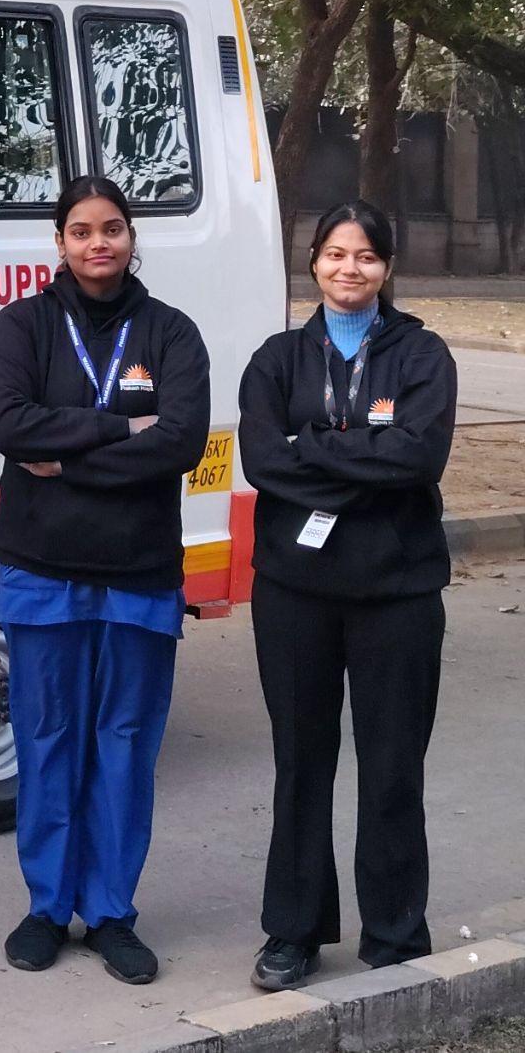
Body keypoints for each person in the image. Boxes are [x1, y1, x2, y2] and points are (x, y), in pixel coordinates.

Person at [0, 175, 211, 985]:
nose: (98, 243)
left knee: (124, 744)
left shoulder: (172, 333)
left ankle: (111, 910)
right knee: (46, 739)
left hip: (140, 574)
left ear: (131, 236)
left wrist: (64, 458)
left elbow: (181, 441)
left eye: (111, 228)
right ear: (60, 242)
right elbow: (6, 422)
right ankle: (47, 907)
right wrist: (119, 431)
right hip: (42, 569)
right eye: (80, 230)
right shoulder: (24, 325)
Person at [237, 200, 456, 990]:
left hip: (397, 590)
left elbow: (418, 456)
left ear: (387, 267)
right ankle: (293, 930)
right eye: (334, 253)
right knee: (302, 762)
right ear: (314, 262)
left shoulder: (425, 355)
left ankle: (395, 933)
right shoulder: (276, 359)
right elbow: (264, 459)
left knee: (394, 764)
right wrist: (365, 453)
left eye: (365, 255)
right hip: (295, 592)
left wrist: (317, 448)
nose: (348, 268)